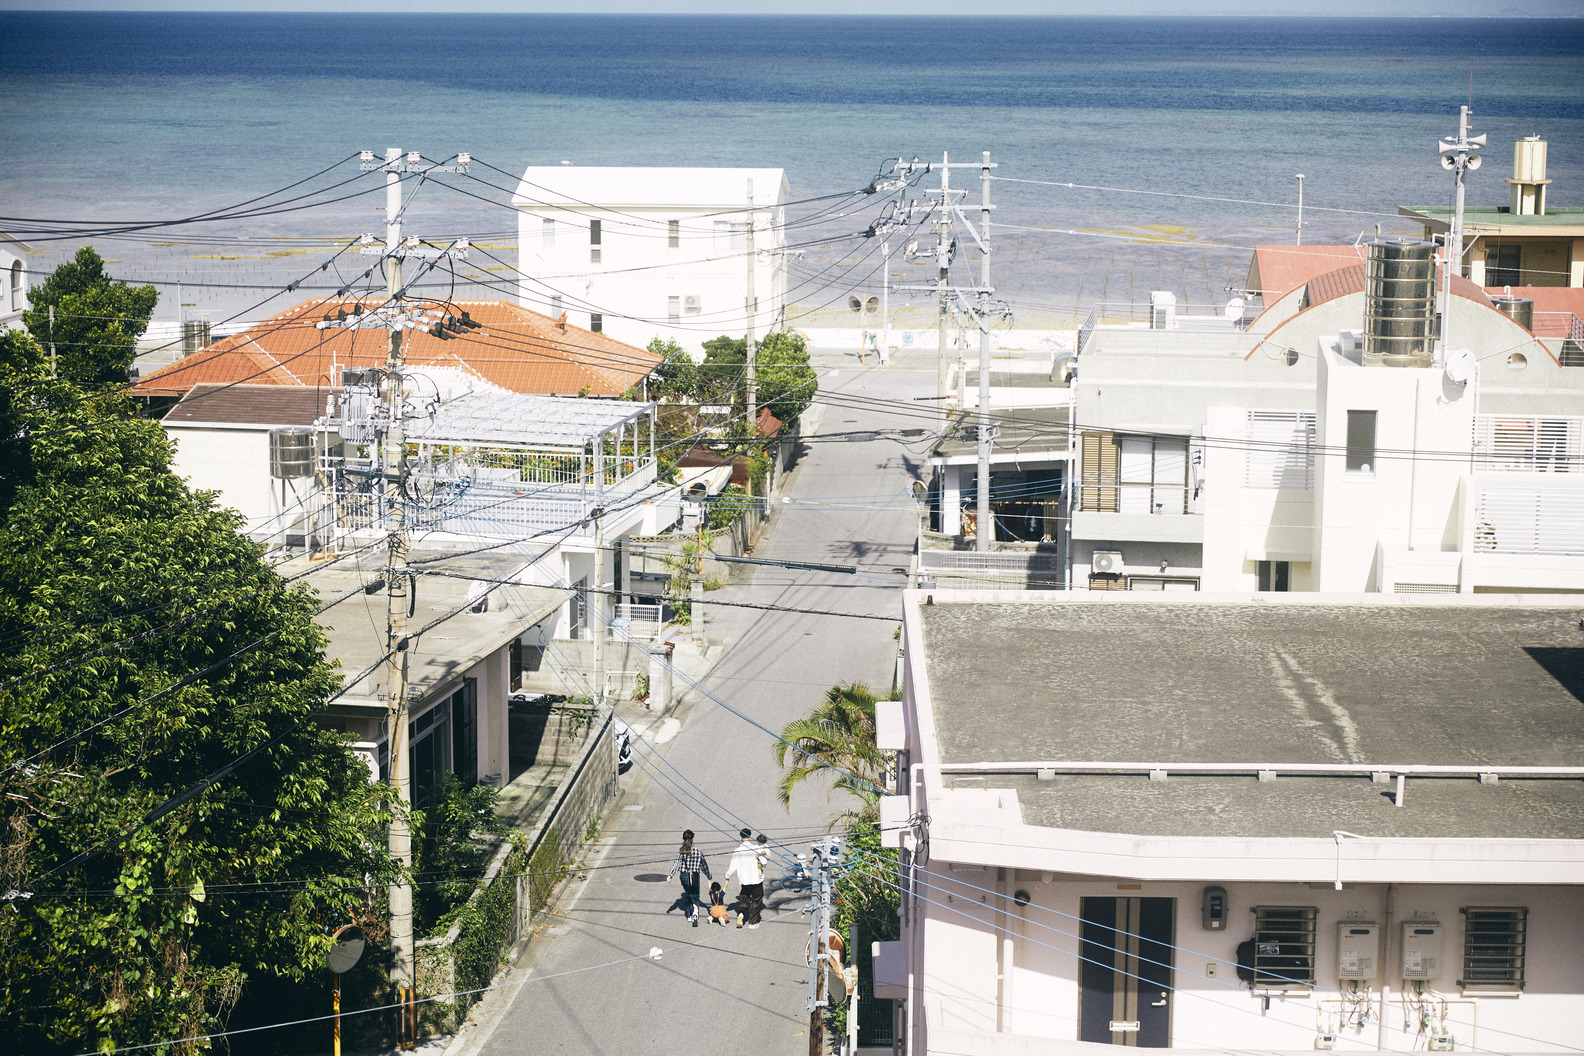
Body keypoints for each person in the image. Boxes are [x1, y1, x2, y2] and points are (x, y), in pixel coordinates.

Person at [666, 829, 711, 927]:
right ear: (693, 839)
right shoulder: (698, 852)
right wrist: (709, 876)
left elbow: (676, 863)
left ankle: (689, 915)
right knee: (695, 895)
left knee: (688, 893)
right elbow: (704, 865)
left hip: (684, 876)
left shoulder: (682, 851)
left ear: (683, 839)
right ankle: (695, 911)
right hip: (694, 876)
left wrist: (670, 875)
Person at [724, 827, 765, 929]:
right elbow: (764, 862)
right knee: (756, 900)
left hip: (744, 880)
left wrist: (727, 875)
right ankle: (752, 923)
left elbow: (732, 867)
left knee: (744, 897)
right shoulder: (756, 848)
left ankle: (741, 913)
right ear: (750, 836)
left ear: (741, 837)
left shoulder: (737, 851)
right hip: (756, 879)